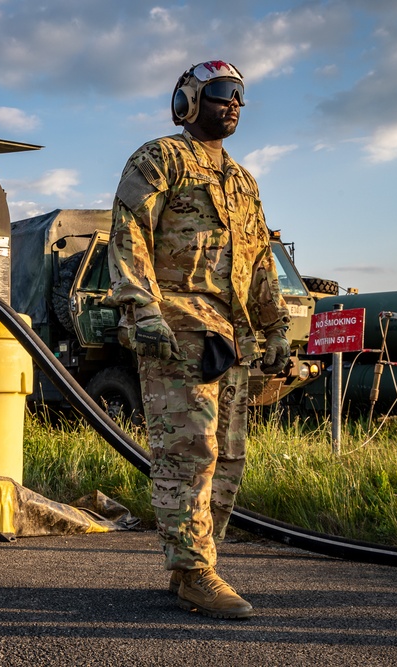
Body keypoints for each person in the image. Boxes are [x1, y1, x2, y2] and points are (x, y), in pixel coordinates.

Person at [106, 60, 290, 619]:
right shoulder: (161, 158)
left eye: (238, 95)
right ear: (187, 101)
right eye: (218, 93)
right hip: (178, 327)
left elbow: (260, 259)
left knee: (228, 455)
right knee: (190, 451)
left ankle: (198, 562)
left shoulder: (241, 181)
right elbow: (129, 231)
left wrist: (276, 325)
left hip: (232, 336)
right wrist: (143, 312)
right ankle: (192, 572)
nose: (232, 103)